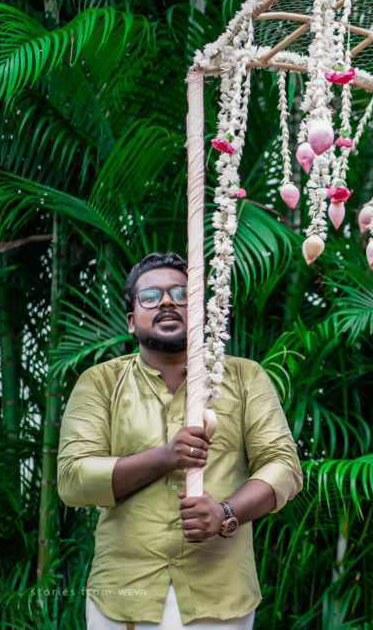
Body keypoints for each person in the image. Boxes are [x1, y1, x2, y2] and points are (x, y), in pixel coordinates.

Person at [58, 252, 303, 628]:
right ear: (130, 321)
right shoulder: (99, 382)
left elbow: (284, 466)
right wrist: (166, 457)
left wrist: (226, 514)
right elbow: (73, 479)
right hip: (123, 597)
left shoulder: (245, 377)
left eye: (181, 293)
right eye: (151, 296)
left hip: (220, 596)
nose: (168, 301)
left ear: (203, 313)